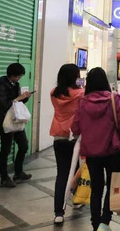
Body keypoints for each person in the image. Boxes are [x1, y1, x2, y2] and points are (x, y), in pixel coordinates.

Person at [71, 67, 120, 231]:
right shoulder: (113, 100)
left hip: (91, 153)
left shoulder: (82, 102)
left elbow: (75, 128)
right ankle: (105, 222)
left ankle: (95, 223)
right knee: (113, 186)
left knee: (96, 188)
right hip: (112, 152)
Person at [49, 64, 85, 224]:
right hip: (76, 137)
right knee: (77, 171)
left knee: (62, 174)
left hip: (59, 136)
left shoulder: (54, 93)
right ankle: (77, 200)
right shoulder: (81, 94)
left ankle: (58, 212)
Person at [0, 63, 32, 188]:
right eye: (19, 75)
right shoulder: (1, 87)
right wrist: (19, 98)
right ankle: (4, 178)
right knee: (6, 149)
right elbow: (4, 104)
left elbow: (17, 101)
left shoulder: (15, 84)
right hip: (5, 121)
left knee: (24, 145)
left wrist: (25, 97)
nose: (20, 78)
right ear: (12, 75)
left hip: (16, 120)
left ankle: (18, 173)